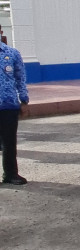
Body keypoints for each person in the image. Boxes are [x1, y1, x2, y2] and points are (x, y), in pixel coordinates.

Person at [0, 23, 29, 185]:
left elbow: (20, 78)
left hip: (9, 105)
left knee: (9, 142)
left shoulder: (11, 53)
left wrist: (24, 100)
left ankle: (10, 174)